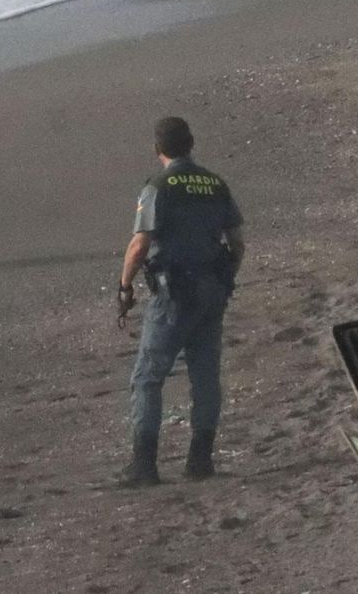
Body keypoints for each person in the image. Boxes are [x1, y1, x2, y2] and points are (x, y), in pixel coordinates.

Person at [115, 117, 244, 487]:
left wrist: (125, 287)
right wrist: (225, 278)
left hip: (174, 293)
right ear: (191, 143)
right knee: (205, 375)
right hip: (212, 289)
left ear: (159, 150)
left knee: (148, 376)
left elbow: (140, 244)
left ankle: (144, 465)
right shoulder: (215, 184)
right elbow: (237, 243)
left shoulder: (158, 186)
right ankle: (200, 459)